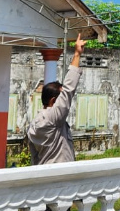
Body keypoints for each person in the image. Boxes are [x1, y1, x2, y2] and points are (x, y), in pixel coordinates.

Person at [28, 33, 85, 165]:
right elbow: (69, 89)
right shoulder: (54, 118)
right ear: (53, 101)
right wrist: (77, 54)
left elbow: (35, 159)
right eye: (60, 99)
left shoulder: (34, 123)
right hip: (60, 178)